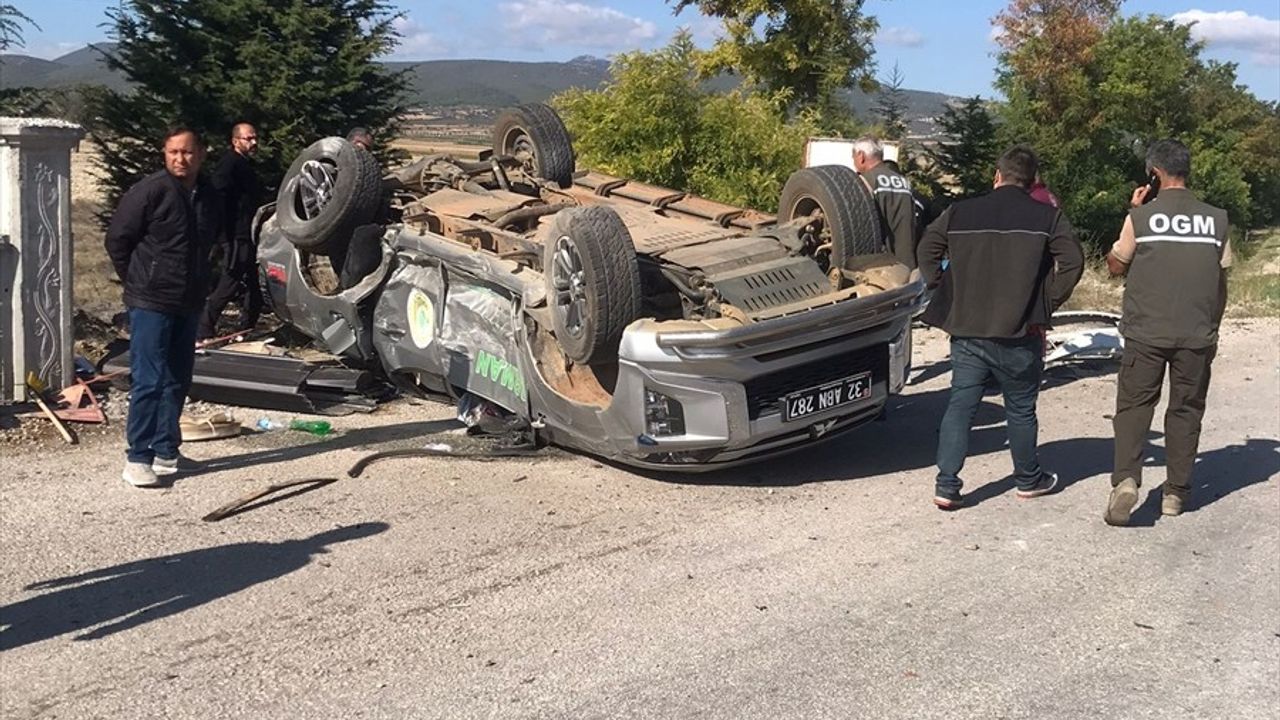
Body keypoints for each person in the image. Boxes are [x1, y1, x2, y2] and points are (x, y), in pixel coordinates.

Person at [917, 145, 1084, 510]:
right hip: (1020, 331)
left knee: (960, 406)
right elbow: (1072, 262)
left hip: (967, 330)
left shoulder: (960, 212)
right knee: (1021, 409)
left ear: (997, 176)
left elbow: (928, 247)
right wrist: (1046, 302)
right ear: (1031, 181)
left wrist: (940, 285)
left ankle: (946, 485)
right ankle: (1028, 479)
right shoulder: (1047, 217)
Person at [1102, 139, 1231, 526]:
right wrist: (1213, 327)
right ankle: (1176, 493)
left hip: (1146, 331)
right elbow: (1221, 279)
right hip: (1197, 332)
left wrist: (1134, 211)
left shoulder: (1142, 218)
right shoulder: (1217, 219)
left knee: (1134, 408)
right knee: (1186, 410)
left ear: (1154, 175)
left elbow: (1114, 266)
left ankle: (1126, 480)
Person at [105, 127, 222, 487]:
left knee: (177, 379)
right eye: (173, 152)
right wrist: (139, 280)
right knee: (149, 379)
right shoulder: (150, 191)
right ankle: (138, 457)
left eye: (187, 152)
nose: (179, 159)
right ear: (164, 153)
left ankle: (166, 451)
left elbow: (209, 243)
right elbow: (117, 241)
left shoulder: (208, 194)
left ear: (201, 153)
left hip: (188, 301)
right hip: (151, 300)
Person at [199, 122, 263, 340]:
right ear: (236, 141)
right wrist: (223, 232)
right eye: (249, 139)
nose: (254, 142)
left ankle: (246, 328)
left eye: (255, 138)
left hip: (250, 233)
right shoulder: (230, 164)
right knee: (231, 280)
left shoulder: (245, 164)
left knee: (256, 282)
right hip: (236, 234)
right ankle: (204, 327)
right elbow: (217, 194)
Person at [853, 136, 917, 269]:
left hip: (879, 266)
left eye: (853, 157)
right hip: (906, 264)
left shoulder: (863, 182)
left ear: (861, 156)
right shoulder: (904, 182)